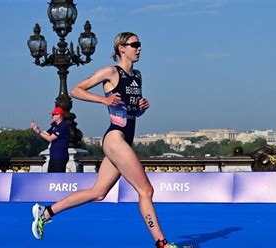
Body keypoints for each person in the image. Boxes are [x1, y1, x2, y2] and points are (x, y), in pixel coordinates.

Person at [31, 32, 177, 247]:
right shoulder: (110, 72)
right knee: (146, 191)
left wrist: (141, 109)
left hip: (124, 139)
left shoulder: (137, 76)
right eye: (134, 44)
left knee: (98, 193)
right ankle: (162, 244)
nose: (139, 48)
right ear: (122, 48)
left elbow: (130, 113)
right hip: (114, 138)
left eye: (140, 44)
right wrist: (103, 99)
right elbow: (76, 90)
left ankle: (46, 212)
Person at [30, 107, 70, 172]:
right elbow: (47, 134)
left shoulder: (63, 126)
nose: (52, 117)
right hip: (54, 157)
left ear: (59, 115)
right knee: (51, 175)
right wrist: (36, 129)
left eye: (53, 115)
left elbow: (50, 138)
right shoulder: (55, 126)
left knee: (57, 177)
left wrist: (38, 131)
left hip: (60, 156)